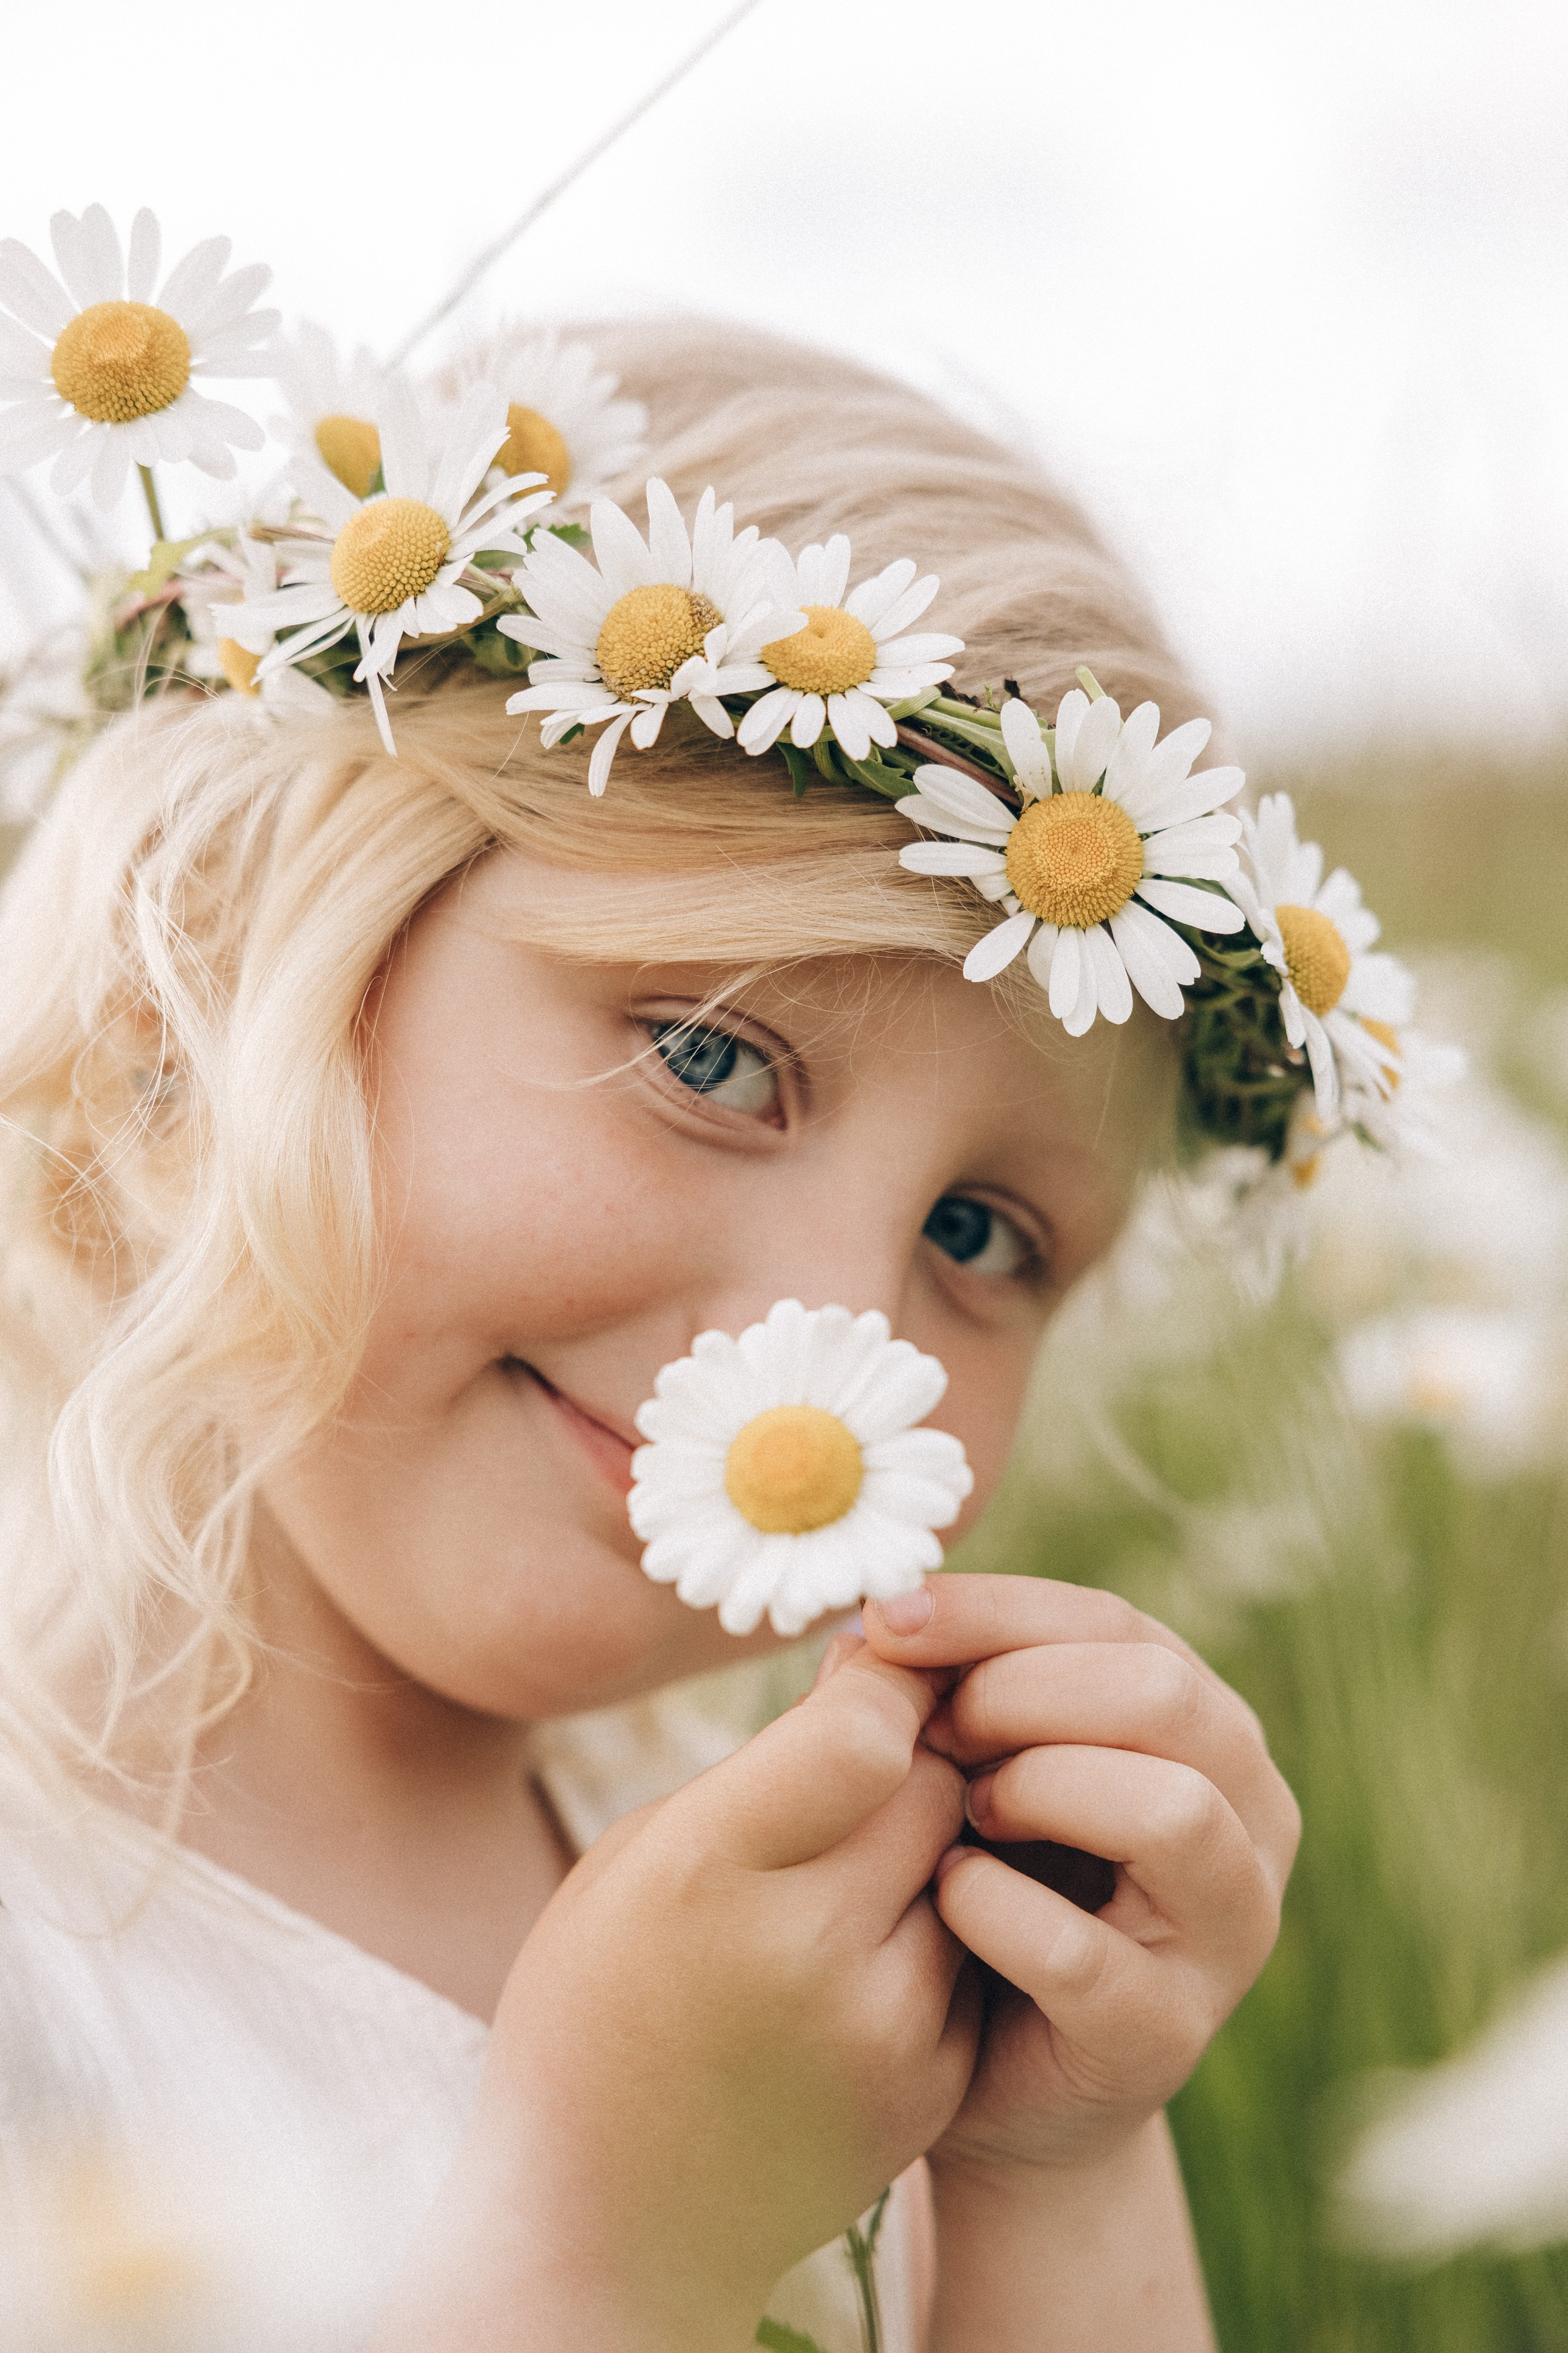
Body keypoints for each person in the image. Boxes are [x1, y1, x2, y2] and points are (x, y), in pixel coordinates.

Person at [0, 296, 1315, 2352]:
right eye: (711, 1056)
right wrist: (616, 2253)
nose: (820, 1337)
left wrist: (1055, 2158)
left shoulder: (809, 1945)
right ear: (252, 930)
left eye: (982, 1230)